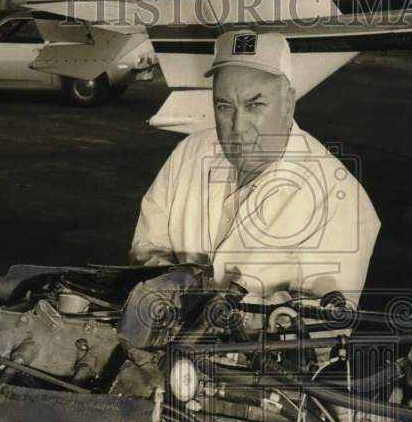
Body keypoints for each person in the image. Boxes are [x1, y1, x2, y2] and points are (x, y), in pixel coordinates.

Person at [130, 30, 380, 305]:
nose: (238, 127)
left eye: (255, 105)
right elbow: (147, 247)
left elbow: (326, 327)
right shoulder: (189, 153)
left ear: (288, 103)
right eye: (225, 107)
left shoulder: (338, 198)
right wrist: (166, 285)